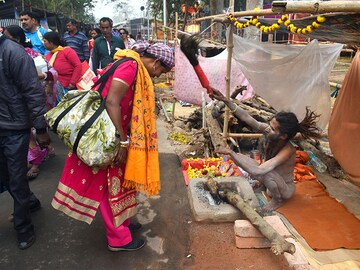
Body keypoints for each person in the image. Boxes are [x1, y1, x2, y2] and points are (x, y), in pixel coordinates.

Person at [51, 40, 175, 251]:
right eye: (162, 71)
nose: (159, 76)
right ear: (155, 63)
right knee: (108, 186)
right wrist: (123, 141)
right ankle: (119, 239)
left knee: (120, 182)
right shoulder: (130, 66)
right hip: (107, 137)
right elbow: (111, 102)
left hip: (116, 132)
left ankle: (123, 220)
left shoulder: (134, 66)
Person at [210, 89, 322, 212]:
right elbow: (247, 117)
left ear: (283, 136)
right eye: (270, 124)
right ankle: (264, 186)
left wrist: (231, 152)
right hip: (271, 183)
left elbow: (259, 171)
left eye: (273, 129)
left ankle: (278, 200)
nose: (268, 129)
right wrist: (226, 100)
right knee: (242, 158)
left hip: (285, 190)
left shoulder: (288, 150)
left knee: (263, 171)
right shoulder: (269, 131)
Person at [0, 34, 51, 249]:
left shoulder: (13, 52)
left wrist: (40, 129)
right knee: (5, 175)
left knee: (16, 176)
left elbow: (33, 91)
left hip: (14, 127)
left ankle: (23, 227)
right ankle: (29, 201)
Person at [3, 25, 56, 180]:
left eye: (7, 37)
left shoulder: (30, 55)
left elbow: (52, 72)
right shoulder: (5, 53)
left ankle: (35, 163)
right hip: (13, 103)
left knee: (34, 130)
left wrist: (42, 77)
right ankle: (41, 153)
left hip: (32, 98)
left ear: (16, 39)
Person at [43, 32, 82, 103]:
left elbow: (78, 66)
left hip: (68, 87)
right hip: (52, 89)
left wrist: (72, 83)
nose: (43, 43)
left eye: (45, 41)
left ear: (51, 42)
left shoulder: (67, 51)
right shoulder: (48, 56)